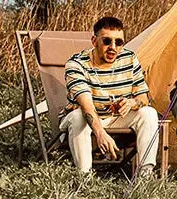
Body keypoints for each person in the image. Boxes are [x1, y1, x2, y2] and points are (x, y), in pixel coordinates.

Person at [61, 16, 160, 177]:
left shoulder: (129, 59)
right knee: (79, 116)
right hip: (86, 120)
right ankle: (84, 178)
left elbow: (144, 99)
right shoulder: (77, 64)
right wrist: (100, 133)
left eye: (118, 42)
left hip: (115, 119)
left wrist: (131, 103)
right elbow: (86, 106)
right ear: (94, 41)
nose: (113, 47)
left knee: (149, 113)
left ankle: (145, 176)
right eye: (107, 41)